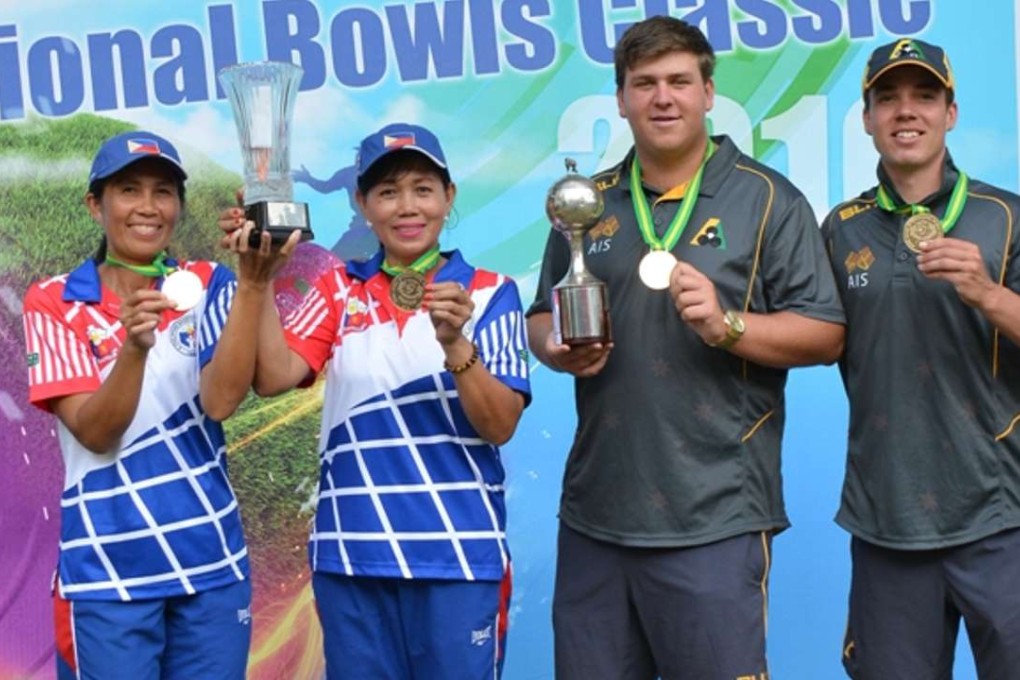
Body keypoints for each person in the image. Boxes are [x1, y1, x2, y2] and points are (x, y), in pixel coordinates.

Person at [526, 16, 845, 679]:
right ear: (621, 100)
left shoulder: (768, 200)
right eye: (645, 83)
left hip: (715, 515)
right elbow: (540, 317)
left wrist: (730, 327)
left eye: (679, 81)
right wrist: (555, 349)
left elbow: (825, 333)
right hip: (596, 514)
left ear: (708, 92)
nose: (662, 98)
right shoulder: (585, 205)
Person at [220, 122, 531, 679]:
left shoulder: (489, 292)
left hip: (457, 557)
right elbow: (273, 377)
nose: (407, 207)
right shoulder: (339, 288)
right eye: (388, 192)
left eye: (422, 189)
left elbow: (499, 424)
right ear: (363, 205)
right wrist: (259, 278)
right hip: (352, 558)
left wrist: (456, 345)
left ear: (449, 197)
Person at [21, 131, 296, 679]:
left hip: (211, 566)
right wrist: (134, 350)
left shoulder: (208, 283)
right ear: (95, 205)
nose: (148, 207)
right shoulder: (54, 300)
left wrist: (251, 283)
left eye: (163, 192)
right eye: (129, 190)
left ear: (179, 206)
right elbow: (95, 432)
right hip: (107, 574)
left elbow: (220, 402)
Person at [823, 38, 1020, 678]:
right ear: (867, 119)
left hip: (1002, 513)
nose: (906, 111)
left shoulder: (1006, 216)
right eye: (888, 98)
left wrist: (989, 294)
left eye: (925, 96)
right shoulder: (840, 227)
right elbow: (812, 333)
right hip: (887, 516)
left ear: (951, 113)